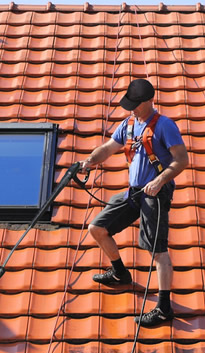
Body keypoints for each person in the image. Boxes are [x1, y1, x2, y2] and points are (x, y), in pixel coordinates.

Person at [79, 78, 189, 327]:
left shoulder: (165, 126)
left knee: (156, 251)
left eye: (136, 105)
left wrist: (160, 181)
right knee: (97, 228)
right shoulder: (129, 124)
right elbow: (108, 148)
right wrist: (89, 161)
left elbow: (181, 160)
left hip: (155, 195)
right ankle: (119, 272)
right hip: (134, 192)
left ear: (149, 101)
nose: (132, 109)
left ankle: (163, 308)